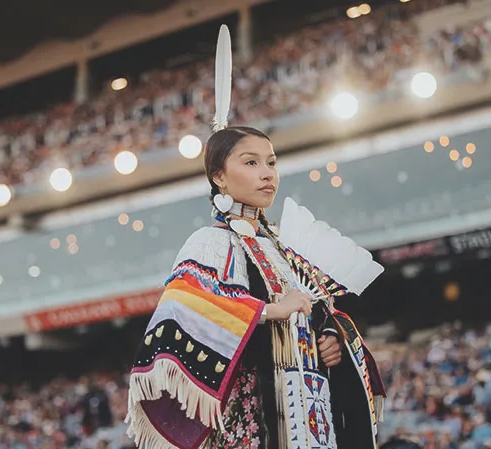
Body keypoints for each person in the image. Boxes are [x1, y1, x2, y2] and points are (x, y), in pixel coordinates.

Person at [125, 26, 385, 449]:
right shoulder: (211, 243)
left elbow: (319, 310)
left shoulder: (283, 246)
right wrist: (268, 310)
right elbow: (184, 308)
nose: (267, 173)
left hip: (308, 411)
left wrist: (330, 339)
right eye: (251, 162)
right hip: (251, 414)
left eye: (271, 162)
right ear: (219, 177)